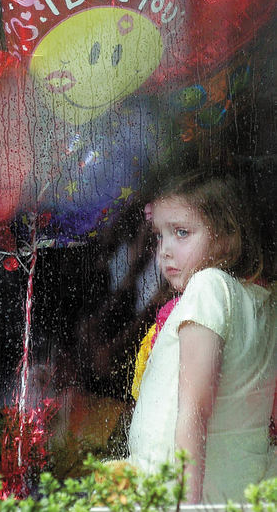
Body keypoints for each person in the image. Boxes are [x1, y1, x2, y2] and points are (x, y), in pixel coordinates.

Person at [126, 171, 276, 505]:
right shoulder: (262, 300)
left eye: (181, 233)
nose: (164, 251)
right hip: (234, 486)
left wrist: (185, 503)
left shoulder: (209, 287)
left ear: (225, 236)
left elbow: (194, 411)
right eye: (160, 236)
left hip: (183, 492)